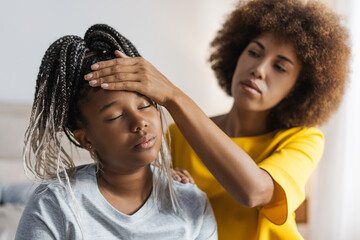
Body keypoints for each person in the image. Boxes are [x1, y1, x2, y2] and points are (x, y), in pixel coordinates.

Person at [84, 0, 350, 239]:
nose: (258, 69)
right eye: (254, 53)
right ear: (236, 53)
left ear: (300, 87)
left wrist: (174, 97)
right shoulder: (177, 136)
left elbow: (254, 192)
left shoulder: (303, 139)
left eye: (280, 67)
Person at [15, 24, 217, 240]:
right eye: (115, 116)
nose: (139, 122)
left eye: (144, 105)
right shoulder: (54, 204)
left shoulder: (191, 202)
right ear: (85, 138)